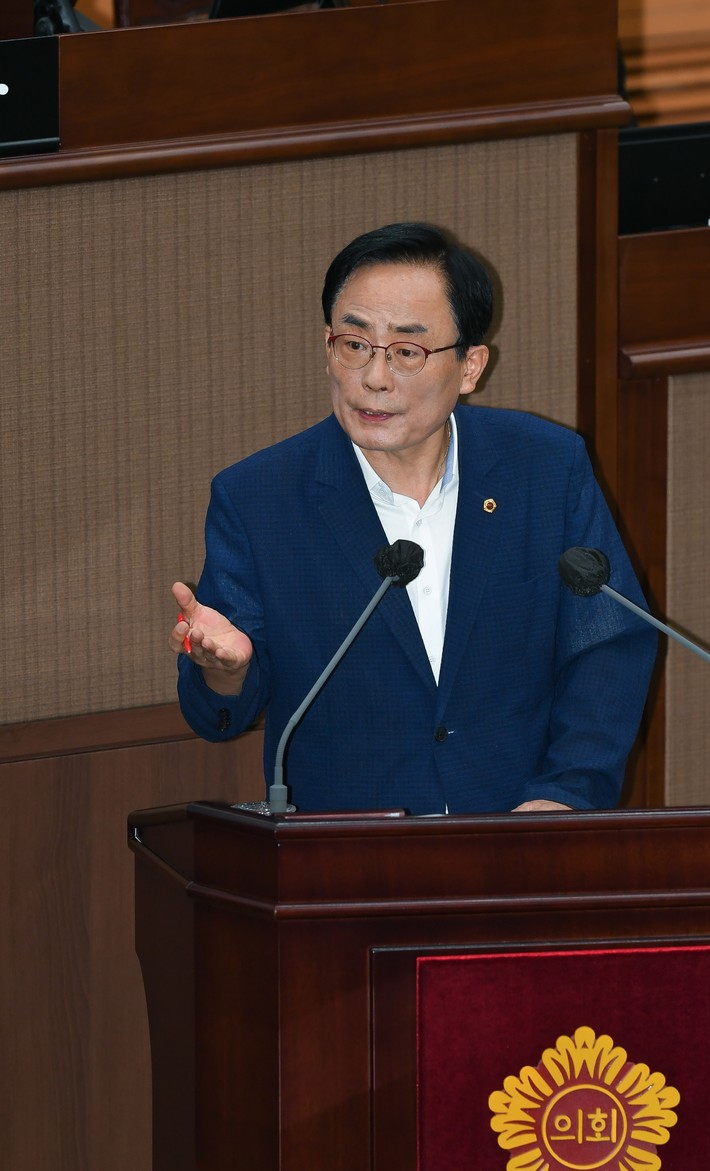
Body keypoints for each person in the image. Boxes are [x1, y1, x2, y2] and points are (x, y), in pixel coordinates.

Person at [170, 222, 656, 814]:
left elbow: (608, 645)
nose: (374, 378)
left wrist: (566, 795)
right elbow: (220, 713)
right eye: (354, 345)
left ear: (470, 366)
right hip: (350, 850)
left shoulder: (545, 467)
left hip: (521, 834)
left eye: (406, 352)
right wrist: (224, 671)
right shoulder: (259, 499)